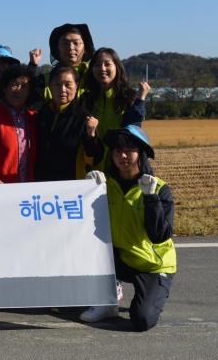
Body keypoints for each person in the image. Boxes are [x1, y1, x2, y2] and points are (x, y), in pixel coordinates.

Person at [81, 125, 176, 331]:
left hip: (152, 264)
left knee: (142, 320)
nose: (123, 155)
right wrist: (87, 190)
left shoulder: (159, 188)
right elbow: (86, 225)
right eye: (117, 150)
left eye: (130, 150)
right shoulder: (105, 185)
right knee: (88, 248)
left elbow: (160, 235)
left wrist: (151, 198)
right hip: (121, 257)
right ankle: (107, 300)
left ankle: (156, 290)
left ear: (141, 154)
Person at [33, 65, 102, 181]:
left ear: (76, 87)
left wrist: (92, 136)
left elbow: (94, 159)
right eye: (57, 84)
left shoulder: (84, 118)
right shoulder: (40, 114)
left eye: (68, 85)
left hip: (71, 189)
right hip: (41, 189)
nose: (63, 90)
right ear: (49, 87)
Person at [81, 47, 151, 146]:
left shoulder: (128, 97)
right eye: (97, 65)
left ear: (117, 67)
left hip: (119, 158)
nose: (102, 68)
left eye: (107, 64)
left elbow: (133, 127)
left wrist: (140, 99)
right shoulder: (85, 99)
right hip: (91, 159)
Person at [0, 65, 36, 184]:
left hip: (31, 190)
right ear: (5, 88)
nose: (19, 90)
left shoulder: (34, 117)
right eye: (14, 84)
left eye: (24, 86)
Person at [30, 23, 95, 104]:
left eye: (76, 43)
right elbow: (27, 98)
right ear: (57, 48)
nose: (71, 47)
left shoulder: (94, 77)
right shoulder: (45, 81)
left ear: (85, 47)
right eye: (65, 43)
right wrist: (32, 66)